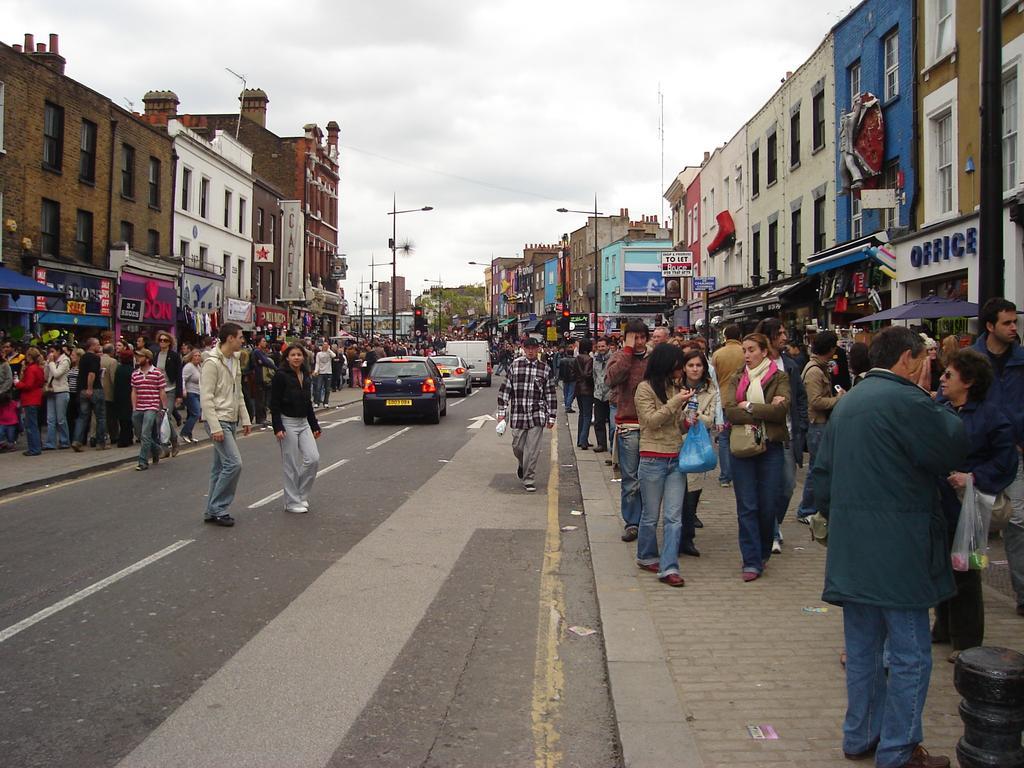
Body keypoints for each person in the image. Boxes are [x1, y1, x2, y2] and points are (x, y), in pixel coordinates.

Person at [813, 326, 966, 768]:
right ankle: (898, 749)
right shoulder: (908, 400)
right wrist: (945, 402)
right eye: (923, 358)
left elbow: (822, 478)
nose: (927, 366)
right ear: (907, 359)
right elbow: (951, 446)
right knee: (909, 654)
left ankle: (860, 734)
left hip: (854, 550)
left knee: (862, 650)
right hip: (900, 552)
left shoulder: (850, 403)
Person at [933, 349, 1018, 660]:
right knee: (941, 567)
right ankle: (943, 628)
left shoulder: (993, 417)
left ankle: (967, 643)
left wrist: (973, 477)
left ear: (967, 382)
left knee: (967, 572)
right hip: (940, 504)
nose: (941, 379)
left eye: (948, 375)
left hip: (971, 508)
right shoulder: (940, 408)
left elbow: (1006, 462)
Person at [969, 298, 1024, 618]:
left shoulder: (1021, 361)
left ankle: (1021, 591)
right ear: (990, 326)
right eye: (1007, 322)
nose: (1013, 328)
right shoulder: (971, 361)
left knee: (1016, 521)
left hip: (1015, 452)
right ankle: (969, 585)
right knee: (974, 527)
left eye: (1015, 322)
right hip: (979, 455)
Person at [722, 333, 790, 582]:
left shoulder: (779, 377)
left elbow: (781, 410)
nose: (747, 355)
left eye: (751, 350)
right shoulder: (737, 377)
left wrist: (748, 407)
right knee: (747, 505)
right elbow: (730, 411)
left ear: (764, 351)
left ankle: (762, 552)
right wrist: (765, 410)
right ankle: (751, 560)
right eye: (744, 350)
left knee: (768, 503)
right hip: (742, 447)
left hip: (770, 447)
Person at [634, 344, 691, 586]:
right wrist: (676, 402)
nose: (682, 370)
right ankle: (646, 556)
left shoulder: (674, 388)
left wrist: (688, 421)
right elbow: (650, 421)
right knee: (649, 516)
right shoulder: (644, 389)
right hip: (652, 458)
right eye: (678, 365)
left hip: (676, 458)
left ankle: (669, 568)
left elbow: (676, 425)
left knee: (673, 517)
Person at [755, 318, 808, 554]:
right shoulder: (756, 363)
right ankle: (771, 531)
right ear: (769, 337)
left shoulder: (790, 365)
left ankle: (772, 522)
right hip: (763, 432)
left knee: (787, 485)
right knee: (767, 484)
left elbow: (800, 396)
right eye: (781, 333)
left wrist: (802, 425)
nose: (785, 337)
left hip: (787, 433)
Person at [200, 323, 253, 527]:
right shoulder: (212, 363)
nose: (243, 340)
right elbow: (206, 397)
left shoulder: (235, 361)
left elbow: (238, 393)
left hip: (231, 419)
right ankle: (219, 508)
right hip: (218, 419)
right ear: (230, 338)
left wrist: (245, 418)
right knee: (234, 463)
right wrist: (215, 427)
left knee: (219, 467)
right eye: (240, 337)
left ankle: (210, 510)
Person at [606, 320, 651, 541]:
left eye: (641, 337)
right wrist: (627, 351)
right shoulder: (619, 357)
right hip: (628, 425)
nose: (638, 342)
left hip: (652, 425)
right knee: (631, 477)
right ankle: (632, 522)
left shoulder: (654, 359)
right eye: (634, 337)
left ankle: (647, 520)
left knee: (649, 477)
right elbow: (612, 379)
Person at [495, 336, 556, 493]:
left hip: (537, 414)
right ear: (523, 349)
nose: (530, 351)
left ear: (537, 349)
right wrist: (501, 412)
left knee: (533, 450)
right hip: (518, 413)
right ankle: (523, 464)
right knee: (518, 447)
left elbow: (550, 394)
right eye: (527, 348)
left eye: (533, 348)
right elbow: (505, 390)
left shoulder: (545, 369)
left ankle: (529, 478)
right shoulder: (515, 366)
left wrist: (551, 416)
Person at [797, 330, 844, 522]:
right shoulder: (814, 370)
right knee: (816, 468)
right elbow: (815, 401)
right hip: (817, 424)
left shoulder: (820, 367)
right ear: (830, 348)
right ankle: (806, 509)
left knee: (819, 467)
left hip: (822, 423)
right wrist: (837, 400)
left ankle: (811, 507)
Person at [677, 348, 718, 558]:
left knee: (692, 493)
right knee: (677, 494)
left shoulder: (710, 391)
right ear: (684, 368)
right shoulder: (675, 386)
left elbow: (710, 419)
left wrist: (695, 414)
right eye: (691, 365)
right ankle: (677, 537)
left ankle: (687, 539)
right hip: (676, 442)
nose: (695, 369)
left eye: (699, 365)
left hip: (697, 444)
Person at [271, 343, 322, 513]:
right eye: (293, 355)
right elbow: (274, 403)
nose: (296, 358)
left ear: (303, 357)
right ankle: (291, 502)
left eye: (299, 354)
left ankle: (300, 494)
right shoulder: (280, 376)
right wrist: (278, 426)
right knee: (291, 464)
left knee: (313, 459)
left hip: (303, 422)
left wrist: (314, 424)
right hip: (287, 422)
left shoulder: (305, 375)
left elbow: (307, 403)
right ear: (287, 357)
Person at [711, 324, 744, 487]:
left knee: (724, 438)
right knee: (745, 434)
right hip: (743, 399)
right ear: (739, 336)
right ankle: (743, 473)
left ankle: (725, 476)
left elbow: (713, 378)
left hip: (723, 399)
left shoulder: (718, 354)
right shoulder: (745, 352)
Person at [130, 348, 166, 471]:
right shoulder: (135, 374)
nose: (137, 359)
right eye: (137, 357)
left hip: (152, 406)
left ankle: (143, 461)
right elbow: (134, 391)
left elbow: (162, 391)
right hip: (139, 407)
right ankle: (157, 449)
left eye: (140, 357)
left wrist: (164, 407)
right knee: (139, 434)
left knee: (145, 434)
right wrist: (134, 407)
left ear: (147, 358)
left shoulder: (157, 373)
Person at [72, 338, 108, 451]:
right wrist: (90, 388)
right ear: (92, 346)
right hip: (94, 389)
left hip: (82, 390)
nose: (99, 346)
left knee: (82, 417)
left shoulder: (82, 358)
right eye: (98, 344)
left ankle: (77, 441)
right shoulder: (95, 358)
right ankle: (100, 442)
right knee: (100, 417)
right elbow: (91, 374)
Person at [154, 331, 183, 457]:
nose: (162, 342)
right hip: (159, 390)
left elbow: (178, 375)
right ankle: (167, 446)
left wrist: (179, 395)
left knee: (165, 416)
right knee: (159, 418)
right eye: (160, 340)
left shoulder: (174, 356)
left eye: (165, 340)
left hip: (170, 389)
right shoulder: (156, 355)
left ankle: (173, 443)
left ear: (170, 342)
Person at [15, 347, 45, 456]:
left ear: (29, 356)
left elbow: (28, 385)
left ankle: (34, 449)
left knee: (31, 425)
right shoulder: (39, 368)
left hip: (30, 399)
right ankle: (36, 447)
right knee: (34, 425)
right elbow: (41, 382)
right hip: (37, 398)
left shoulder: (31, 369)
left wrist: (18, 383)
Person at [43, 346, 71, 451]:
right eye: (49, 352)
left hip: (61, 392)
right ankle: (50, 443)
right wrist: (47, 364)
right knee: (50, 419)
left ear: (59, 351)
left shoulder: (65, 360)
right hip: (51, 391)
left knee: (61, 419)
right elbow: (46, 377)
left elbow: (57, 374)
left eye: (52, 351)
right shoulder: (51, 362)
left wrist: (51, 363)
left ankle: (64, 441)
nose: (51, 354)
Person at [573, 339, 595, 449]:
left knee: (582, 414)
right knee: (587, 415)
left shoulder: (577, 358)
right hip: (587, 389)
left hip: (578, 389)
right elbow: (587, 374)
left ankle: (580, 439)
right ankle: (583, 441)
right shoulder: (589, 359)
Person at [591, 337, 612, 453]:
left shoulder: (613, 358)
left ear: (608, 346)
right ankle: (601, 444)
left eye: (603, 346)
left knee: (611, 422)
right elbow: (594, 376)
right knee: (599, 421)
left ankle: (612, 444)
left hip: (610, 394)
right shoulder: (595, 360)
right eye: (599, 347)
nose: (601, 349)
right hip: (598, 394)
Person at [113, 348, 136, 447]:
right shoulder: (132, 371)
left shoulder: (118, 369)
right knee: (128, 418)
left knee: (122, 419)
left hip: (119, 395)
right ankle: (127, 438)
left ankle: (124, 438)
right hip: (129, 395)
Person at [180, 349, 203, 443]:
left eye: (199, 356)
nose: (197, 357)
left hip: (198, 393)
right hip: (190, 393)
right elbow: (182, 378)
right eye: (195, 355)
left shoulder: (198, 366)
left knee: (194, 414)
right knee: (196, 413)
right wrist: (183, 390)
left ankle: (189, 435)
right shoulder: (189, 367)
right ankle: (184, 433)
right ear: (191, 357)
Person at [100, 344, 119, 445]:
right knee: (111, 417)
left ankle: (99, 436)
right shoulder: (113, 361)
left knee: (99, 416)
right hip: (109, 393)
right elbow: (113, 378)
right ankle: (114, 436)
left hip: (98, 391)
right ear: (111, 351)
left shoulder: (98, 359)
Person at [313, 341, 335, 407]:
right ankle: (317, 402)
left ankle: (326, 402)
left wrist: (328, 349)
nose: (325, 346)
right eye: (324, 345)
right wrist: (316, 371)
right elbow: (317, 363)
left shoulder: (329, 353)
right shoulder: (319, 354)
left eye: (326, 345)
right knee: (318, 388)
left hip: (328, 372)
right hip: (321, 373)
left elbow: (334, 355)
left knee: (327, 389)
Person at [558, 344, 577, 413]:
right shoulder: (575, 360)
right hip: (573, 378)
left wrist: (560, 377)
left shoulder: (562, 360)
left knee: (565, 393)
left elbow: (561, 370)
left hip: (565, 378)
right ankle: (568, 406)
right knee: (571, 393)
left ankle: (567, 405)